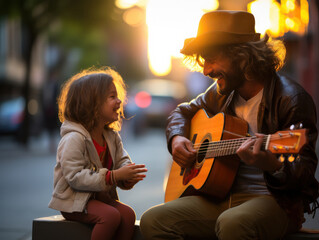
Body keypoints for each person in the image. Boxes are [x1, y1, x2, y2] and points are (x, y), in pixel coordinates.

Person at [140, 10, 319, 240]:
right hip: (221, 197)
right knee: (153, 220)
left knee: (232, 223)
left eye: (212, 59)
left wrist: (272, 165)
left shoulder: (291, 99)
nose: (206, 70)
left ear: (242, 57)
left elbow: (304, 171)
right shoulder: (220, 94)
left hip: (274, 202)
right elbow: (182, 112)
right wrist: (177, 138)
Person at [48, 67, 147, 240]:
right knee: (110, 216)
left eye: (118, 96)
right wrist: (113, 176)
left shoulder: (111, 136)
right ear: (91, 102)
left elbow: (121, 160)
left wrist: (127, 174)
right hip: (75, 201)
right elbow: (75, 177)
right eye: (112, 97)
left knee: (128, 215)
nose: (119, 101)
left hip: (100, 198)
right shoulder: (74, 138)